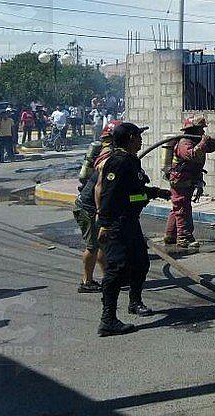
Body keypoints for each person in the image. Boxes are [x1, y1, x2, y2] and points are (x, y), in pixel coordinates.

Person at [94, 122, 170, 336]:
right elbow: (111, 195)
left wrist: (156, 193)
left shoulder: (129, 161)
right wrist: (105, 224)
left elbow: (133, 194)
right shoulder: (119, 162)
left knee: (141, 263)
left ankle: (135, 302)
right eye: (138, 135)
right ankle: (108, 319)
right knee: (116, 270)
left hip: (129, 221)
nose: (141, 139)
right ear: (129, 138)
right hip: (117, 223)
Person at [164, 115, 215, 250]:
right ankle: (184, 238)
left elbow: (214, 145)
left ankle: (170, 235)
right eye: (200, 129)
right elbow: (192, 155)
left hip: (188, 179)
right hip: (180, 180)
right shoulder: (185, 142)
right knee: (181, 208)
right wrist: (203, 142)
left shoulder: (196, 141)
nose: (203, 132)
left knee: (179, 206)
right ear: (193, 129)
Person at [73, 119, 119, 293]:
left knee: (101, 244)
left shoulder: (107, 154)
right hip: (88, 208)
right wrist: (100, 211)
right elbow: (100, 188)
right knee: (92, 246)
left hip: (90, 206)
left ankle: (108, 277)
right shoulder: (108, 158)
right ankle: (86, 282)